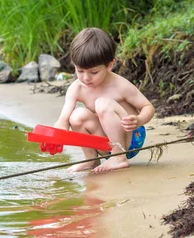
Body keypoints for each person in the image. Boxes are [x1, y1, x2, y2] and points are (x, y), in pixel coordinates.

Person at [54, 27, 155, 172]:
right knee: (76, 116)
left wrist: (138, 120)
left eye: (93, 72)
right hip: (104, 142)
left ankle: (119, 157)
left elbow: (148, 107)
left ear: (109, 65)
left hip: (130, 138)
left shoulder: (119, 85)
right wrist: (55, 137)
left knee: (102, 103)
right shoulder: (76, 88)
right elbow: (63, 120)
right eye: (80, 71)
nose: (86, 78)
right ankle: (91, 159)